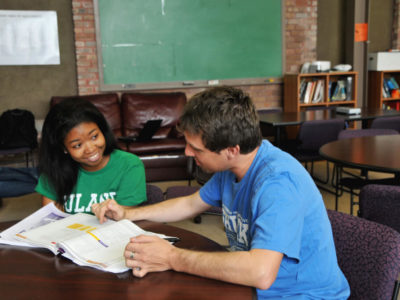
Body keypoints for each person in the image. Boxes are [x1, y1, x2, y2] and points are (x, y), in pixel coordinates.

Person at [92, 86, 350, 299]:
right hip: (254, 289)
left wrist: (171, 257)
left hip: (302, 295)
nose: (187, 153)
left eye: (196, 149)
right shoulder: (236, 166)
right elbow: (190, 204)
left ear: (231, 150)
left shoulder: (279, 183)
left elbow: (261, 272)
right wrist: (128, 213)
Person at [35, 98, 146, 214]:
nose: (90, 149)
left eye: (94, 137)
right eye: (77, 145)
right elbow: (52, 220)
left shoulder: (129, 165)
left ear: (102, 130)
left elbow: (124, 217)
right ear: (63, 148)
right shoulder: (55, 170)